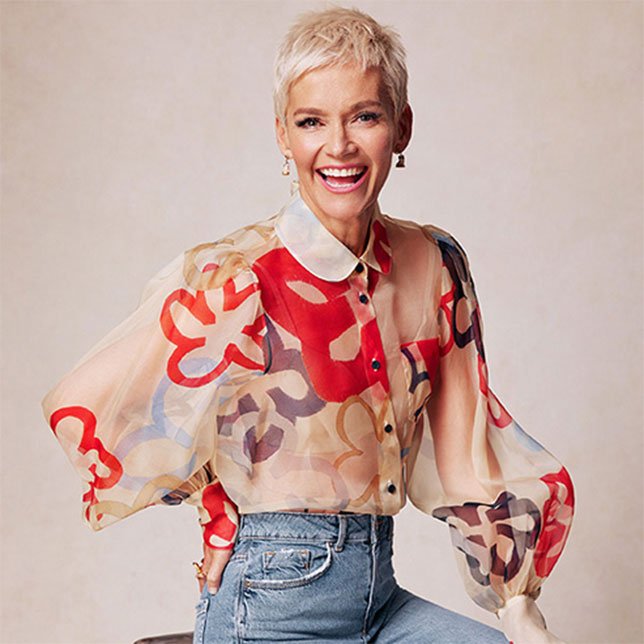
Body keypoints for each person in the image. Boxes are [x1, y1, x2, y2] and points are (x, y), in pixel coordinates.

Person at [42, 7, 574, 644]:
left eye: (365, 116)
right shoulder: (241, 276)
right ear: (282, 136)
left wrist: (516, 602)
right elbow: (82, 404)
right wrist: (214, 504)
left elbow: (466, 457)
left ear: (402, 127)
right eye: (311, 121)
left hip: (380, 594)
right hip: (271, 598)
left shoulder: (435, 265)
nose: (339, 145)